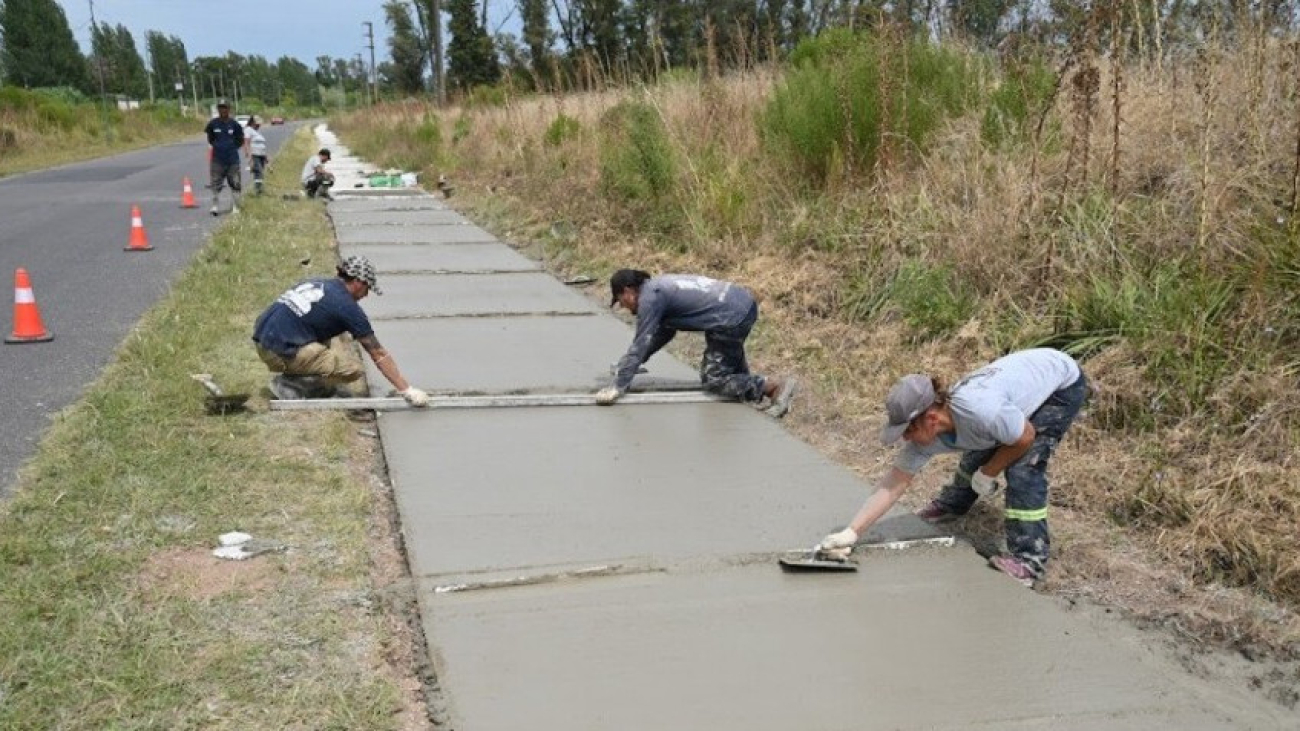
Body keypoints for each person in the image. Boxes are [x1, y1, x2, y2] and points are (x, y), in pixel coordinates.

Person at [817, 348, 1088, 587]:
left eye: (907, 430)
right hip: (1009, 402)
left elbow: (1025, 436)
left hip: (1059, 385)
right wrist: (852, 532)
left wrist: (990, 471)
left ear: (931, 419)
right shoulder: (934, 434)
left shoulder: (980, 412)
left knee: (1023, 470)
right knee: (977, 452)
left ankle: (1030, 561)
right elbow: (893, 483)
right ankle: (953, 505)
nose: (905, 439)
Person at [598, 269, 798, 417]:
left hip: (729, 317)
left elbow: (642, 341)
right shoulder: (657, 288)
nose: (624, 306)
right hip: (738, 304)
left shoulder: (649, 300)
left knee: (714, 378)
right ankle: (750, 390)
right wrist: (629, 365)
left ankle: (773, 387)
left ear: (627, 291)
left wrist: (619, 385)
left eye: (621, 301)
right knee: (727, 364)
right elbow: (661, 335)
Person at [252, 255, 430, 407]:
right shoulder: (347, 307)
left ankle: (303, 372)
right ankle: (292, 385)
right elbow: (378, 353)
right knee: (352, 369)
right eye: (367, 288)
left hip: (263, 338)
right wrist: (407, 390)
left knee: (333, 339)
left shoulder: (316, 282)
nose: (366, 295)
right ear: (358, 282)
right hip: (278, 352)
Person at [204, 100, 244, 216]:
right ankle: (215, 206)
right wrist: (218, 146)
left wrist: (231, 147)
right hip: (217, 159)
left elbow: (240, 140)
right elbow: (210, 139)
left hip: (232, 160)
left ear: (229, 109)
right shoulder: (213, 124)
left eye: (225, 107)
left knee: (235, 183)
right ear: (218, 109)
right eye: (220, 107)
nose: (223, 110)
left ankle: (235, 206)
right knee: (215, 183)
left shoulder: (234, 124)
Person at [243, 115, 269, 196]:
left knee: (261, 173)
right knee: (258, 172)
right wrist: (249, 157)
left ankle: (260, 189)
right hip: (254, 154)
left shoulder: (257, 132)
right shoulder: (248, 130)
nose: (259, 125)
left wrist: (265, 156)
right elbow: (247, 143)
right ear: (253, 122)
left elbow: (261, 144)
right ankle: (258, 191)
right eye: (257, 124)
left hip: (261, 154)